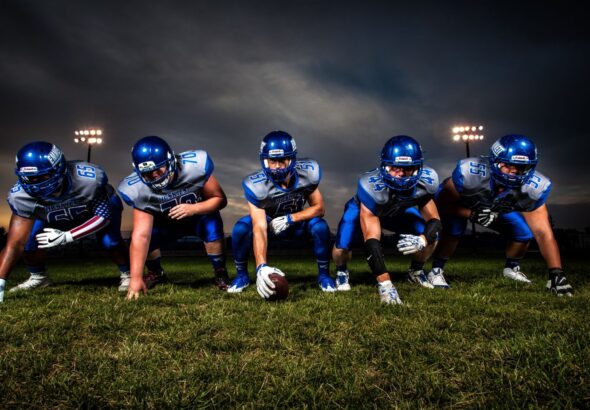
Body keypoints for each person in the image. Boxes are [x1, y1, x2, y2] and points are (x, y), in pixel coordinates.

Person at [427, 134, 573, 296]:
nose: (513, 172)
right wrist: (471, 214)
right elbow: (442, 205)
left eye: (520, 168)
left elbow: (543, 233)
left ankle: (511, 268)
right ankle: (436, 270)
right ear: (494, 162)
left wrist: (556, 273)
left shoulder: (534, 187)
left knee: (523, 233)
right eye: (507, 165)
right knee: (454, 229)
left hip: (496, 208)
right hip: (462, 204)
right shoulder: (469, 173)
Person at [0, 141, 130, 302]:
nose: (36, 184)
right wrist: (0, 282)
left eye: (42, 176)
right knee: (28, 240)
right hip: (52, 216)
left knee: (110, 241)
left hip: (91, 211)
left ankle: (127, 273)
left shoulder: (87, 179)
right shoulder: (20, 196)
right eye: (30, 178)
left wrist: (68, 236)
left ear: (59, 168)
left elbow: (103, 216)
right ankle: (38, 277)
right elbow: (14, 244)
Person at [333, 135, 442, 305]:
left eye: (407, 169)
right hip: (367, 208)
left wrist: (422, 239)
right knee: (342, 246)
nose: (400, 174)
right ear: (384, 166)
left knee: (432, 236)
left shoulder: (427, 181)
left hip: (396, 211)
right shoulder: (370, 187)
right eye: (394, 168)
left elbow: (435, 220)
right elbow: (371, 240)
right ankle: (341, 271)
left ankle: (416, 271)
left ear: (418, 167)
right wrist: (385, 284)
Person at [119, 136, 229, 300]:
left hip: (198, 217)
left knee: (212, 224)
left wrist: (194, 208)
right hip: (166, 223)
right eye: (148, 174)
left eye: (158, 170)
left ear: (170, 161)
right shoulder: (136, 188)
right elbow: (141, 235)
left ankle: (220, 271)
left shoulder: (195, 166)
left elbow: (220, 200)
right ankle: (156, 272)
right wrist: (135, 279)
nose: (155, 176)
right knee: (144, 238)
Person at [228, 130, 336, 298]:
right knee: (241, 228)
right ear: (265, 161)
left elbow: (319, 208)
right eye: (272, 161)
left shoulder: (307, 173)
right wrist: (261, 266)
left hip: (296, 222)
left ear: (291, 159)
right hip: (269, 224)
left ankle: (324, 275)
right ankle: (242, 275)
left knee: (320, 226)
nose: (277, 167)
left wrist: (291, 218)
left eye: (281, 161)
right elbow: (259, 226)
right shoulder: (256, 185)